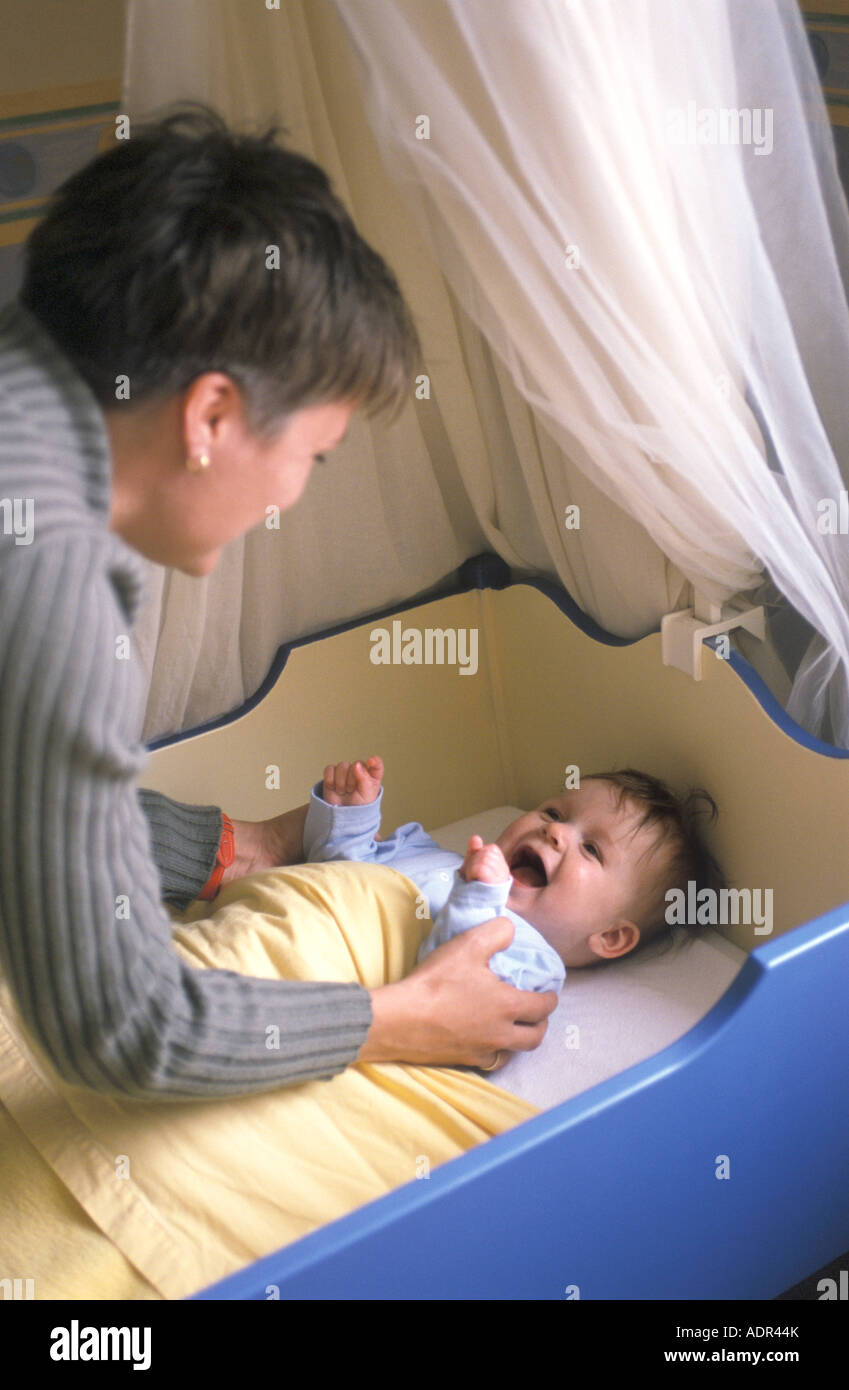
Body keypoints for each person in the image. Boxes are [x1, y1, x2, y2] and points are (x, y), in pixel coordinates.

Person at [0, 105, 556, 1100]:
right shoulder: (53, 572)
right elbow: (119, 1023)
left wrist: (226, 846)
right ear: (211, 414)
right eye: (312, 454)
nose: (294, 495)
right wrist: (404, 1016)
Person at [305, 758, 725, 1002]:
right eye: (555, 813)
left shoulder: (528, 958)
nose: (556, 832)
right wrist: (350, 819)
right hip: (293, 915)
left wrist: (476, 900)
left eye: (592, 849)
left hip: (313, 978)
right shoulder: (432, 854)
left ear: (610, 937)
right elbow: (334, 870)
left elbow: (447, 992)